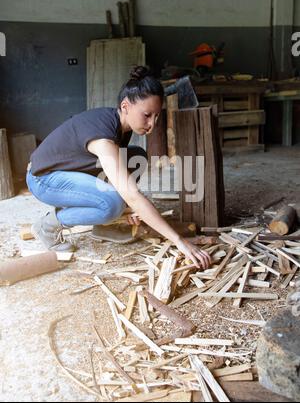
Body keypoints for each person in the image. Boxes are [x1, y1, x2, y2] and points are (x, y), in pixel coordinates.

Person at [26, 66, 211, 270]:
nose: (152, 123)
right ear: (125, 106)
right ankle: (48, 225)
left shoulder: (121, 125)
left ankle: (104, 224)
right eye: (147, 115)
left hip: (70, 171)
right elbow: (130, 193)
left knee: (135, 156)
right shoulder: (103, 135)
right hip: (43, 179)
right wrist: (178, 240)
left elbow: (123, 181)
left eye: (157, 116)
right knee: (111, 202)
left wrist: (130, 206)